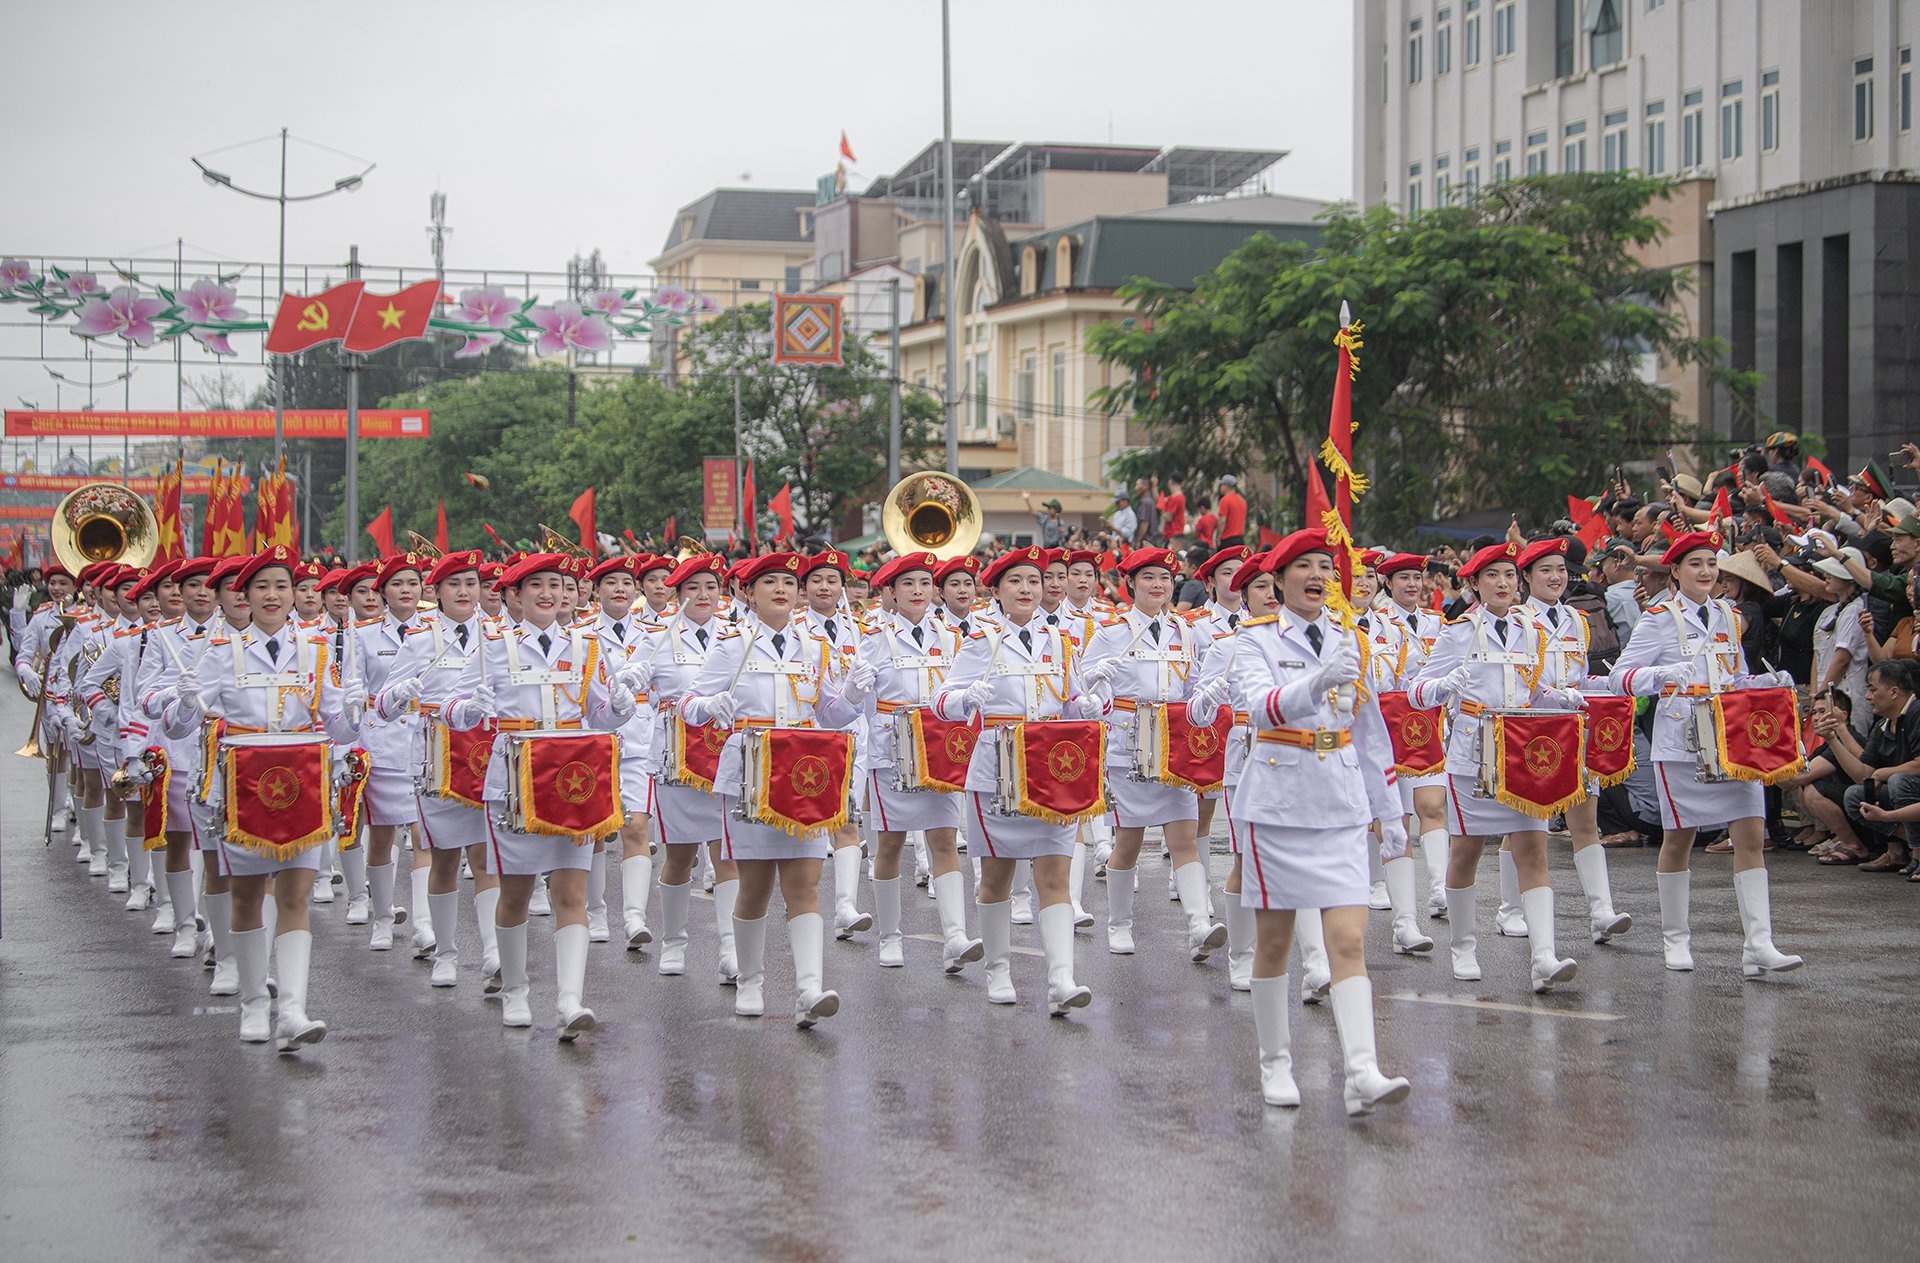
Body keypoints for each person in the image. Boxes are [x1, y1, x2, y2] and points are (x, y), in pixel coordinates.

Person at [1218, 530, 1411, 1115]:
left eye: (1325, 565)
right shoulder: (1252, 641)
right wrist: (1319, 681)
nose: (1317, 574)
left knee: (1349, 939)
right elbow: (1256, 706)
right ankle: (1275, 1063)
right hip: (1276, 800)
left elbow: (1371, 730)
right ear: (1277, 580)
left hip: (1341, 796)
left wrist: (1391, 809)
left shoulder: (1351, 639)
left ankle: (1361, 1071)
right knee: (1274, 944)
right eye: (1303, 565)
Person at [157, 546, 360, 1049]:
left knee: (295, 896)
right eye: (262, 587)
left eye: (282, 587)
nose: (273, 596)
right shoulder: (219, 651)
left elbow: (336, 723)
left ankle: (292, 1008)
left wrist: (353, 711)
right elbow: (182, 724)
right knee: (247, 894)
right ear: (244, 596)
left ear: (295, 596)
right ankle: (254, 1001)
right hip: (243, 782)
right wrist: (182, 702)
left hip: (302, 781)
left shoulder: (315, 651)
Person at [444, 552, 639, 1037]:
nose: (549, 594)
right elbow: (450, 710)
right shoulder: (492, 645)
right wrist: (469, 709)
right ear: (515, 595)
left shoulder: (588, 644)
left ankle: (570, 1000)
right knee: (516, 893)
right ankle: (514, 989)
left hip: (573, 780)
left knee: (571, 890)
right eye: (537, 586)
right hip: (514, 782)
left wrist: (619, 707)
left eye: (557, 584)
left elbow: (601, 716)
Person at [679, 552, 868, 1027]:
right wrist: (710, 705)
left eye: (789, 582)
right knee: (756, 885)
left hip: (805, 772)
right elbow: (688, 705)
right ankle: (750, 979)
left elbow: (830, 716)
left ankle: (808, 987)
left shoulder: (815, 645)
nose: (781, 589)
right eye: (770, 583)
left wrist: (853, 697)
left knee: (805, 883)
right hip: (749, 772)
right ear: (748, 593)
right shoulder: (731, 644)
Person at [1609, 531, 1805, 978]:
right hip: (1681, 742)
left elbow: (1736, 674)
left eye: (1711, 564)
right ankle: (1675, 939)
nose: (1705, 572)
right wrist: (1662, 674)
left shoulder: (1730, 616)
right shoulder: (1658, 618)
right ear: (1675, 572)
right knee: (1680, 838)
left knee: (1751, 835)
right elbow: (1622, 677)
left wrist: (1763, 685)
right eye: (1695, 564)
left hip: (1732, 738)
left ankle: (1759, 943)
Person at [932, 545, 1101, 1016]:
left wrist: (1087, 708)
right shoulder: (980, 641)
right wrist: (967, 697)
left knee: (1055, 875)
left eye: (1034, 581)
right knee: (997, 876)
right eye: (1016, 582)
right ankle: (999, 970)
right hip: (996, 770)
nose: (1028, 589)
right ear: (997, 591)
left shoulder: (1062, 641)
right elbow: (939, 702)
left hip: (1051, 770)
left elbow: (1073, 703)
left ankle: (1062, 978)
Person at [1408, 541, 1584, 992]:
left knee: (1533, 850)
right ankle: (1463, 946)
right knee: (1466, 852)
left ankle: (1543, 955)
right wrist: (1441, 685)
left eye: (1509, 575)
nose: (1504, 584)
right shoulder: (1458, 631)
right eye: (1493, 577)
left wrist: (1558, 697)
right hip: (1472, 756)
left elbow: (1535, 687)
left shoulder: (1533, 631)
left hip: (1522, 754)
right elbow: (1417, 691)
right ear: (1474, 585)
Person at [1080, 548, 1225, 962]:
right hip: (1129, 748)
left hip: (1173, 744)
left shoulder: (1184, 631)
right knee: (1129, 839)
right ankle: (1119, 923)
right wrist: (1096, 685)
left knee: (1183, 834)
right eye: (1148, 578)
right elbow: (1087, 692)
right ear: (1131, 584)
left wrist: (1207, 699)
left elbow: (1194, 686)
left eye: (1165, 578)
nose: (1158, 585)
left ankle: (1198, 922)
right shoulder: (1111, 631)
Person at [370, 550, 502, 990]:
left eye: (471, 584)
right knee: (444, 858)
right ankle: (446, 953)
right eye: (454, 585)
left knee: (486, 857)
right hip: (437, 760)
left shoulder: (499, 634)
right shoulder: (421, 638)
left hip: (488, 757)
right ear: (437, 592)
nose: (465, 593)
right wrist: (399, 692)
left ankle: (492, 952)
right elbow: (384, 706)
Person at [852, 550, 986, 971]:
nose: (917, 592)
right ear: (890, 592)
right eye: (907, 584)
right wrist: (858, 689)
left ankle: (955, 936)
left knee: (944, 838)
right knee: (890, 844)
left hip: (941, 749)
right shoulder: (872, 638)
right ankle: (890, 937)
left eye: (925, 584)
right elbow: (859, 705)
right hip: (892, 752)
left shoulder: (953, 636)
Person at [622, 552, 741, 981]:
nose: (704, 596)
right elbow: (630, 678)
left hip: (726, 754)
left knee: (725, 852)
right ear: (677, 594)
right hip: (677, 756)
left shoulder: (736, 635)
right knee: (679, 855)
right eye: (693, 588)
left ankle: (730, 949)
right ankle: (675, 940)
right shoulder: (656, 636)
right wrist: (632, 679)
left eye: (711, 587)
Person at [1518, 537, 1633, 944]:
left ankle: (1601, 910)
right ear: (1527, 576)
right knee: (1522, 824)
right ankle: (1509, 907)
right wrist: (1553, 694)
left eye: (1561, 570)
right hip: (1532, 735)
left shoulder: (1577, 620)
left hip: (1576, 729)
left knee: (1586, 819)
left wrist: (1609, 683)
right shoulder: (1515, 621)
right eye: (1545, 570)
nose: (1555, 577)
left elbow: (1580, 677)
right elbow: (1518, 685)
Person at [1810, 660, 1920, 870]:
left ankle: (1917, 853)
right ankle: (1905, 849)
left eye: (1872, 689)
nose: (1867, 696)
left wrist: (1881, 773)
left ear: (1894, 691)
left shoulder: (1917, 713)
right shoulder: (1882, 725)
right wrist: (1834, 737)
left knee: (1898, 781)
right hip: (1905, 797)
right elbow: (1863, 775)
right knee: (1856, 796)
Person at [1215, 476, 1247, 548]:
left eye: (1222, 485)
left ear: (1226, 486)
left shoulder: (1225, 500)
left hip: (1227, 540)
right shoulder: (1242, 501)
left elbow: (1222, 520)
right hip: (1240, 539)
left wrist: (1217, 537)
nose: (1220, 487)